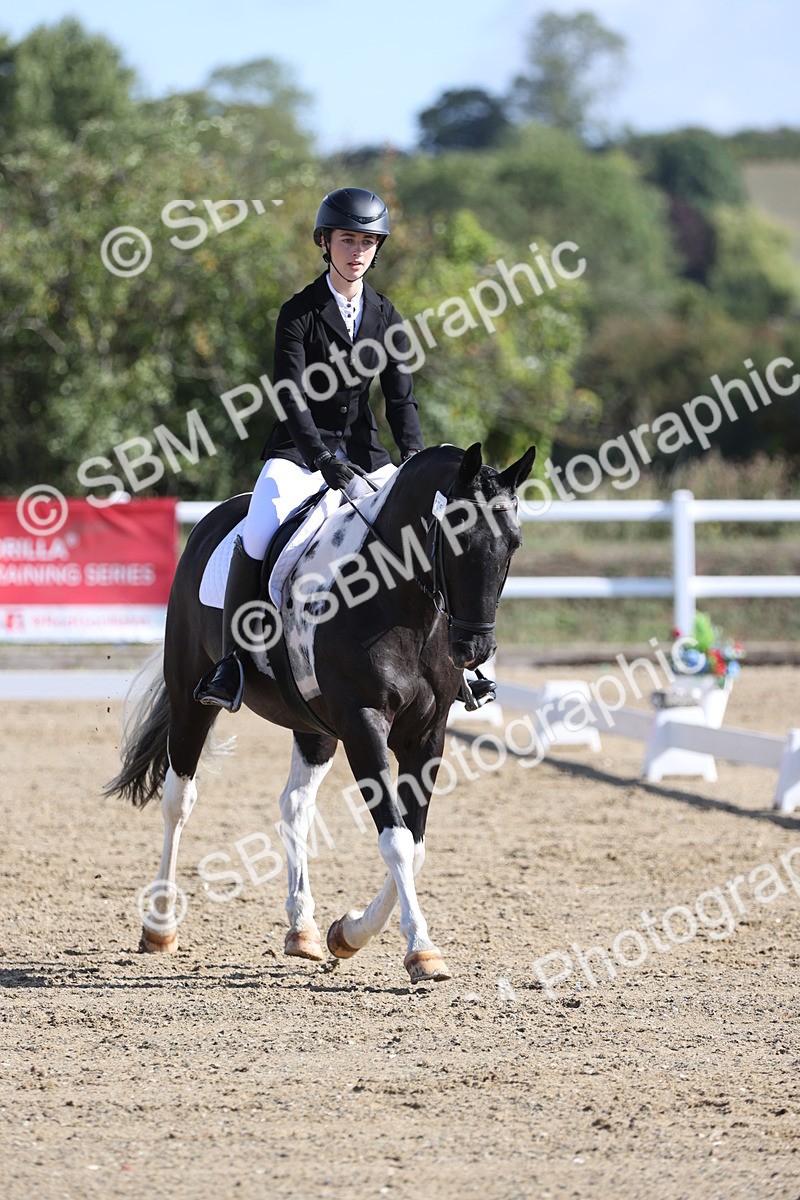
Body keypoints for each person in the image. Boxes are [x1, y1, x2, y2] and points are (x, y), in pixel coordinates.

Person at [194, 187, 425, 712]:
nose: (358, 251)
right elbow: (291, 395)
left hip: (367, 453)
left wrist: (412, 458)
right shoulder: (299, 312)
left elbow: (401, 397)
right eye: (348, 240)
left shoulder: (386, 316)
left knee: (423, 529)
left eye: (368, 241)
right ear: (325, 242)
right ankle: (232, 661)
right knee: (258, 527)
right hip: (301, 452)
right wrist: (321, 460)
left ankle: (450, 660)